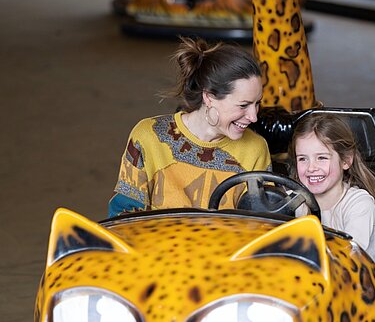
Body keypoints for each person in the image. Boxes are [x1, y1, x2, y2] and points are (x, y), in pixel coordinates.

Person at [108, 37, 272, 217]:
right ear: (209, 97)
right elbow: (122, 215)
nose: (254, 116)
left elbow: (261, 222)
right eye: (243, 105)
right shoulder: (149, 136)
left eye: (257, 103)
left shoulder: (255, 149)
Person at [289, 113, 375, 265]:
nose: (311, 168)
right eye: (302, 159)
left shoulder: (359, 205)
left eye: (322, 158)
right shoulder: (290, 201)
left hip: (353, 282)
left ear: (346, 160)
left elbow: (350, 261)